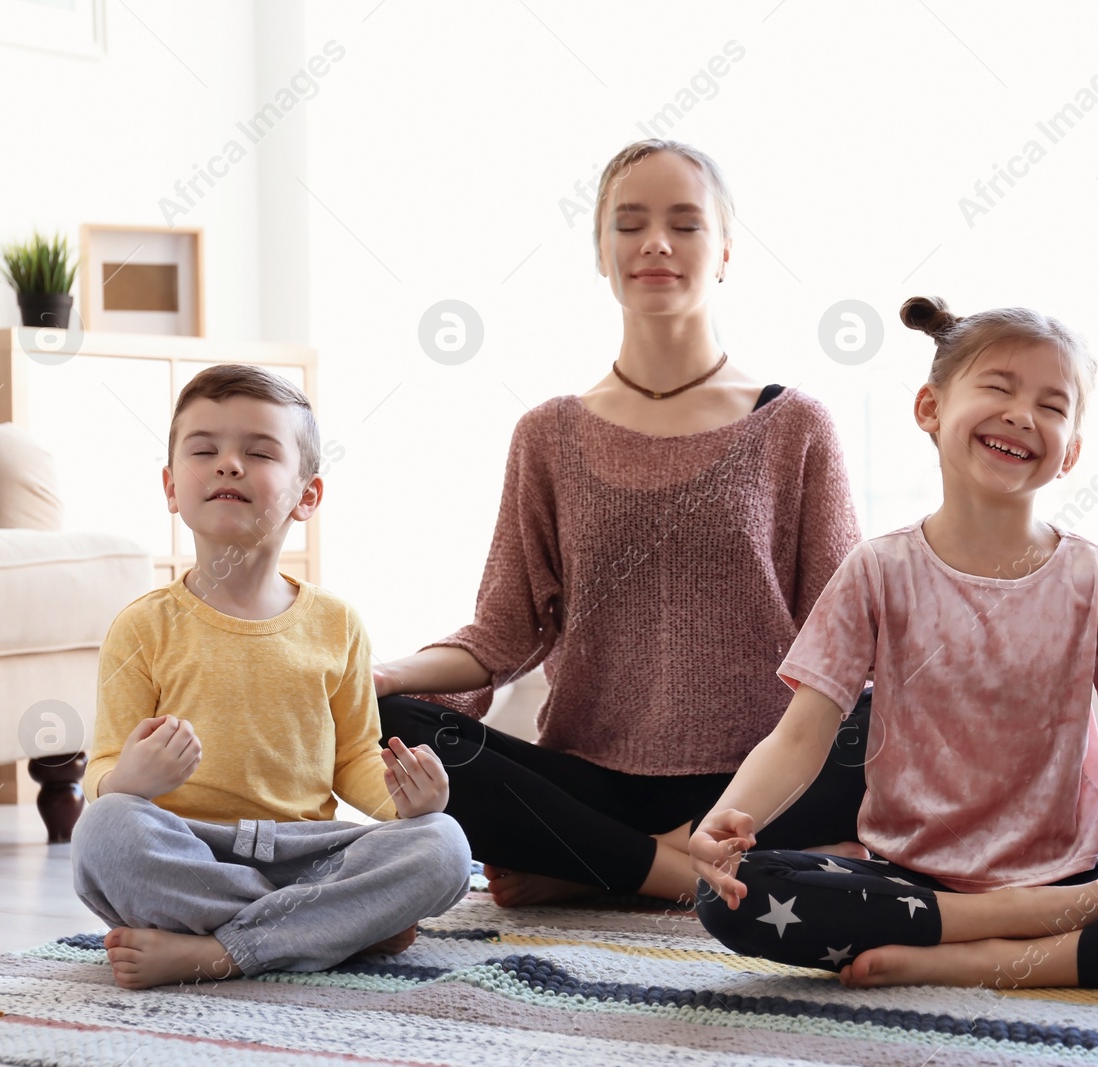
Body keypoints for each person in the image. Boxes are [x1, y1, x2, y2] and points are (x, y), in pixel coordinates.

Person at [691, 296, 1098, 989]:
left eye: (1052, 404)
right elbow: (800, 738)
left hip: (1072, 879)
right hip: (914, 884)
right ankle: (1025, 922)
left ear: (1070, 451)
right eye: (998, 387)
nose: (1022, 414)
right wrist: (726, 817)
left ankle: (974, 959)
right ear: (930, 408)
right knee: (729, 889)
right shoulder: (877, 569)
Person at [375, 139, 870, 908]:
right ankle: (678, 869)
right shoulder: (548, 434)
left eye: (685, 223)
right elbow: (501, 633)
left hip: (762, 776)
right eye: (630, 223)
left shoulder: (795, 424)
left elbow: (845, 640)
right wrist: (380, 675)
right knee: (387, 722)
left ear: (727, 251)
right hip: (596, 780)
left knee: (890, 726)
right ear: (602, 251)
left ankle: (591, 866)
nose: (657, 243)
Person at [72, 364, 472, 990]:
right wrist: (129, 780)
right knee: (105, 831)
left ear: (307, 495)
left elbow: (352, 760)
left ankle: (219, 951)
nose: (228, 464)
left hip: (309, 856)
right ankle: (336, 930)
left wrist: (401, 799)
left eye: (258, 452)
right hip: (191, 849)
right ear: (172, 486)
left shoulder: (338, 623)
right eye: (205, 450)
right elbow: (100, 773)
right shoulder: (142, 628)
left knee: (442, 844)